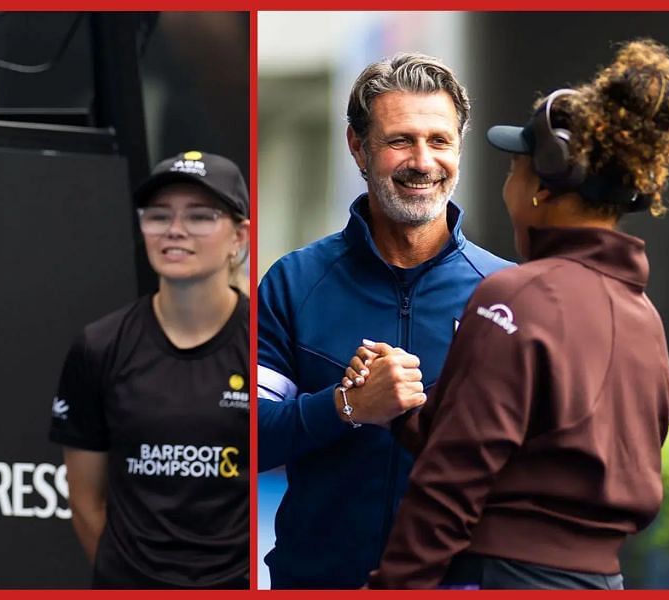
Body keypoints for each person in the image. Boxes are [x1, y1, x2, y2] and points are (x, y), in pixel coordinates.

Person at [339, 39, 669, 590]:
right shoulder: (642, 315)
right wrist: (403, 411)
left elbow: (450, 483)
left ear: (540, 189)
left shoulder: (516, 296)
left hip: (508, 577)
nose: (509, 185)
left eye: (514, 169)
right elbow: (548, 447)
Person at [256, 53, 513, 589]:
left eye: (439, 140)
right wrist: (346, 406)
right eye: (400, 140)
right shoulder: (294, 282)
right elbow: (248, 439)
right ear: (358, 147)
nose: (422, 161)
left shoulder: (507, 294)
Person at [49, 151, 250, 589]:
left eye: (200, 216)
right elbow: (85, 500)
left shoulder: (264, 345)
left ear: (239, 237)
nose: (175, 230)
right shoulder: (99, 345)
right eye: (158, 216)